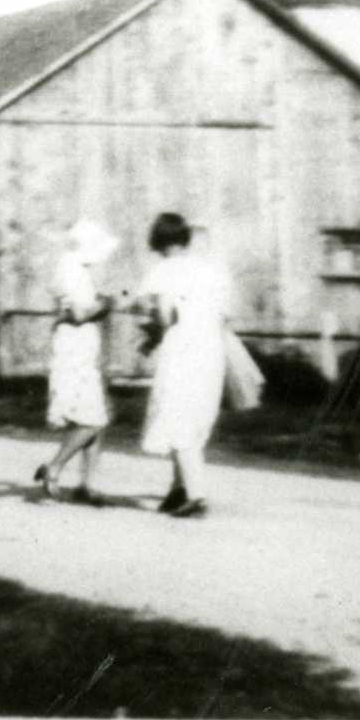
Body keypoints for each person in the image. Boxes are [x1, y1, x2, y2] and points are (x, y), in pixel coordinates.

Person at [138, 212, 228, 518]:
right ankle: (178, 488)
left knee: (176, 415)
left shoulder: (164, 271)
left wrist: (150, 332)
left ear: (160, 241)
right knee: (195, 416)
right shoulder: (210, 269)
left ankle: (196, 494)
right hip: (211, 349)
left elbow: (164, 317)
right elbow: (224, 313)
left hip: (181, 350)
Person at [35, 220, 118, 502]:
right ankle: (54, 467)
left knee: (96, 416)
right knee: (91, 420)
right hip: (74, 352)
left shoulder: (76, 268)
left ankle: (87, 484)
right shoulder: (70, 268)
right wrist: (107, 304)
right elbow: (81, 313)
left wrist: (102, 303)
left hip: (82, 350)